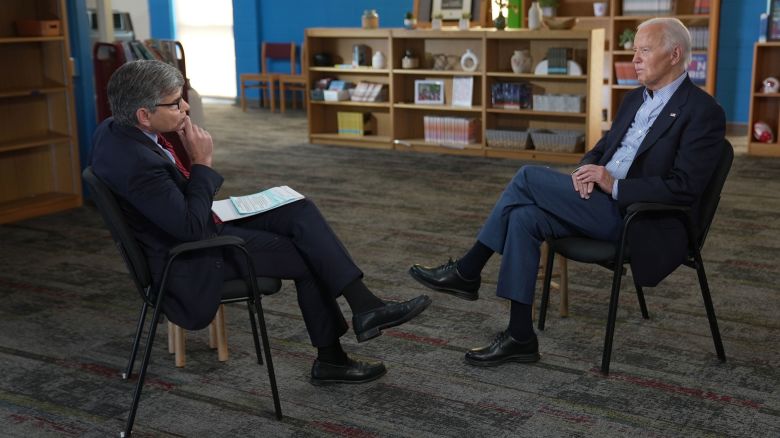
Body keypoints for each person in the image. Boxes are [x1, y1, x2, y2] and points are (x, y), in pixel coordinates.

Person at [91, 59, 431, 385]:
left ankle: (365, 306)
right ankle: (333, 357)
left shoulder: (115, 129)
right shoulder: (137, 164)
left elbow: (175, 208)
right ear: (143, 115)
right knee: (311, 254)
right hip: (191, 258)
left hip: (189, 228)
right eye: (175, 104)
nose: (186, 108)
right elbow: (191, 229)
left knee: (299, 209)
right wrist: (202, 162)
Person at [409, 17, 726, 367]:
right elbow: (602, 149)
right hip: (597, 202)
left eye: (644, 50)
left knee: (527, 176)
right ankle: (520, 336)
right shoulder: (635, 98)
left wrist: (613, 184)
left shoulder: (703, 112)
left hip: (638, 218)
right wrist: (585, 172)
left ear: (674, 54)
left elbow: (684, 187)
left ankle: (468, 271)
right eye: (634, 50)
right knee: (524, 217)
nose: (634, 58)